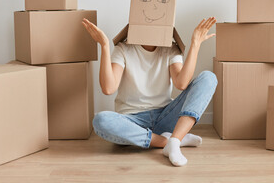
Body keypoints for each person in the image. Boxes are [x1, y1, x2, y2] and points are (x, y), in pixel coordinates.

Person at [82, 17, 218, 167]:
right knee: (101, 120)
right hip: (132, 122)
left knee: (208, 78)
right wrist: (105, 45)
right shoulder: (123, 49)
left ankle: (174, 139)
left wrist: (195, 44)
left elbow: (181, 83)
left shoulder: (171, 49)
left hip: (165, 116)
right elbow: (108, 88)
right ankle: (170, 141)